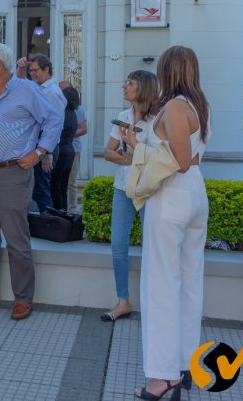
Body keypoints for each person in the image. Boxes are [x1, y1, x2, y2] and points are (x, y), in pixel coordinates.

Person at [121, 47, 209, 401]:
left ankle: (161, 378)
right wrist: (138, 145)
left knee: (159, 286)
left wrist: (137, 148)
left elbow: (180, 160)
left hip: (171, 196)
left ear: (167, 71)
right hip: (195, 195)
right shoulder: (199, 105)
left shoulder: (174, 106)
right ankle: (185, 365)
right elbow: (193, 156)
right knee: (189, 281)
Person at [0, 44, 61, 321]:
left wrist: (40, 151)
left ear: (1, 67)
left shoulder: (27, 91)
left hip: (12, 173)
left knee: (17, 239)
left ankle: (23, 298)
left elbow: (54, 119)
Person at [100, 70, 159, 323]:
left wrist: (128, 155)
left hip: (148, 191)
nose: (124, 86)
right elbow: (107, 153)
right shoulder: (123, 116)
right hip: (122, 188)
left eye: (130, 83)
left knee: (153, 248)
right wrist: (135, 157)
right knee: (118, 246)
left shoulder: (157, 120)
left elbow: (157, 160)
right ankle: (123, 301)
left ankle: (154, 302)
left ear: (143, 88)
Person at [16, 54, 65, 213]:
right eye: (30, 71)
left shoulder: (52, 92)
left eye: (35, 70)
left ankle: (49, 225)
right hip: (39, 147)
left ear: (47, 69)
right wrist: (20, 69)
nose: (33, 74)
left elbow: (56, 124)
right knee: (39, 189)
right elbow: (18, 86)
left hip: (45, 149)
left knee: (42, 190)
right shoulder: (39, 88)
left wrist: (47, 152)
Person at [59, 81, 88, 213]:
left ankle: (71, 211)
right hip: (59, 149)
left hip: (73, 149)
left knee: (70, 182)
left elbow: (84, 129)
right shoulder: (59, 107)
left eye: (64, 90)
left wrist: (67, 136)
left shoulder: (78, 109)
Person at [49, 86, 79, 212]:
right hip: (70, 151)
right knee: (63, 186)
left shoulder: (63, 112)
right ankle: (64, 213)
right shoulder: (73, 113)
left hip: (61, 151)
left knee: (55, 185)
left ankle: (58, 214)